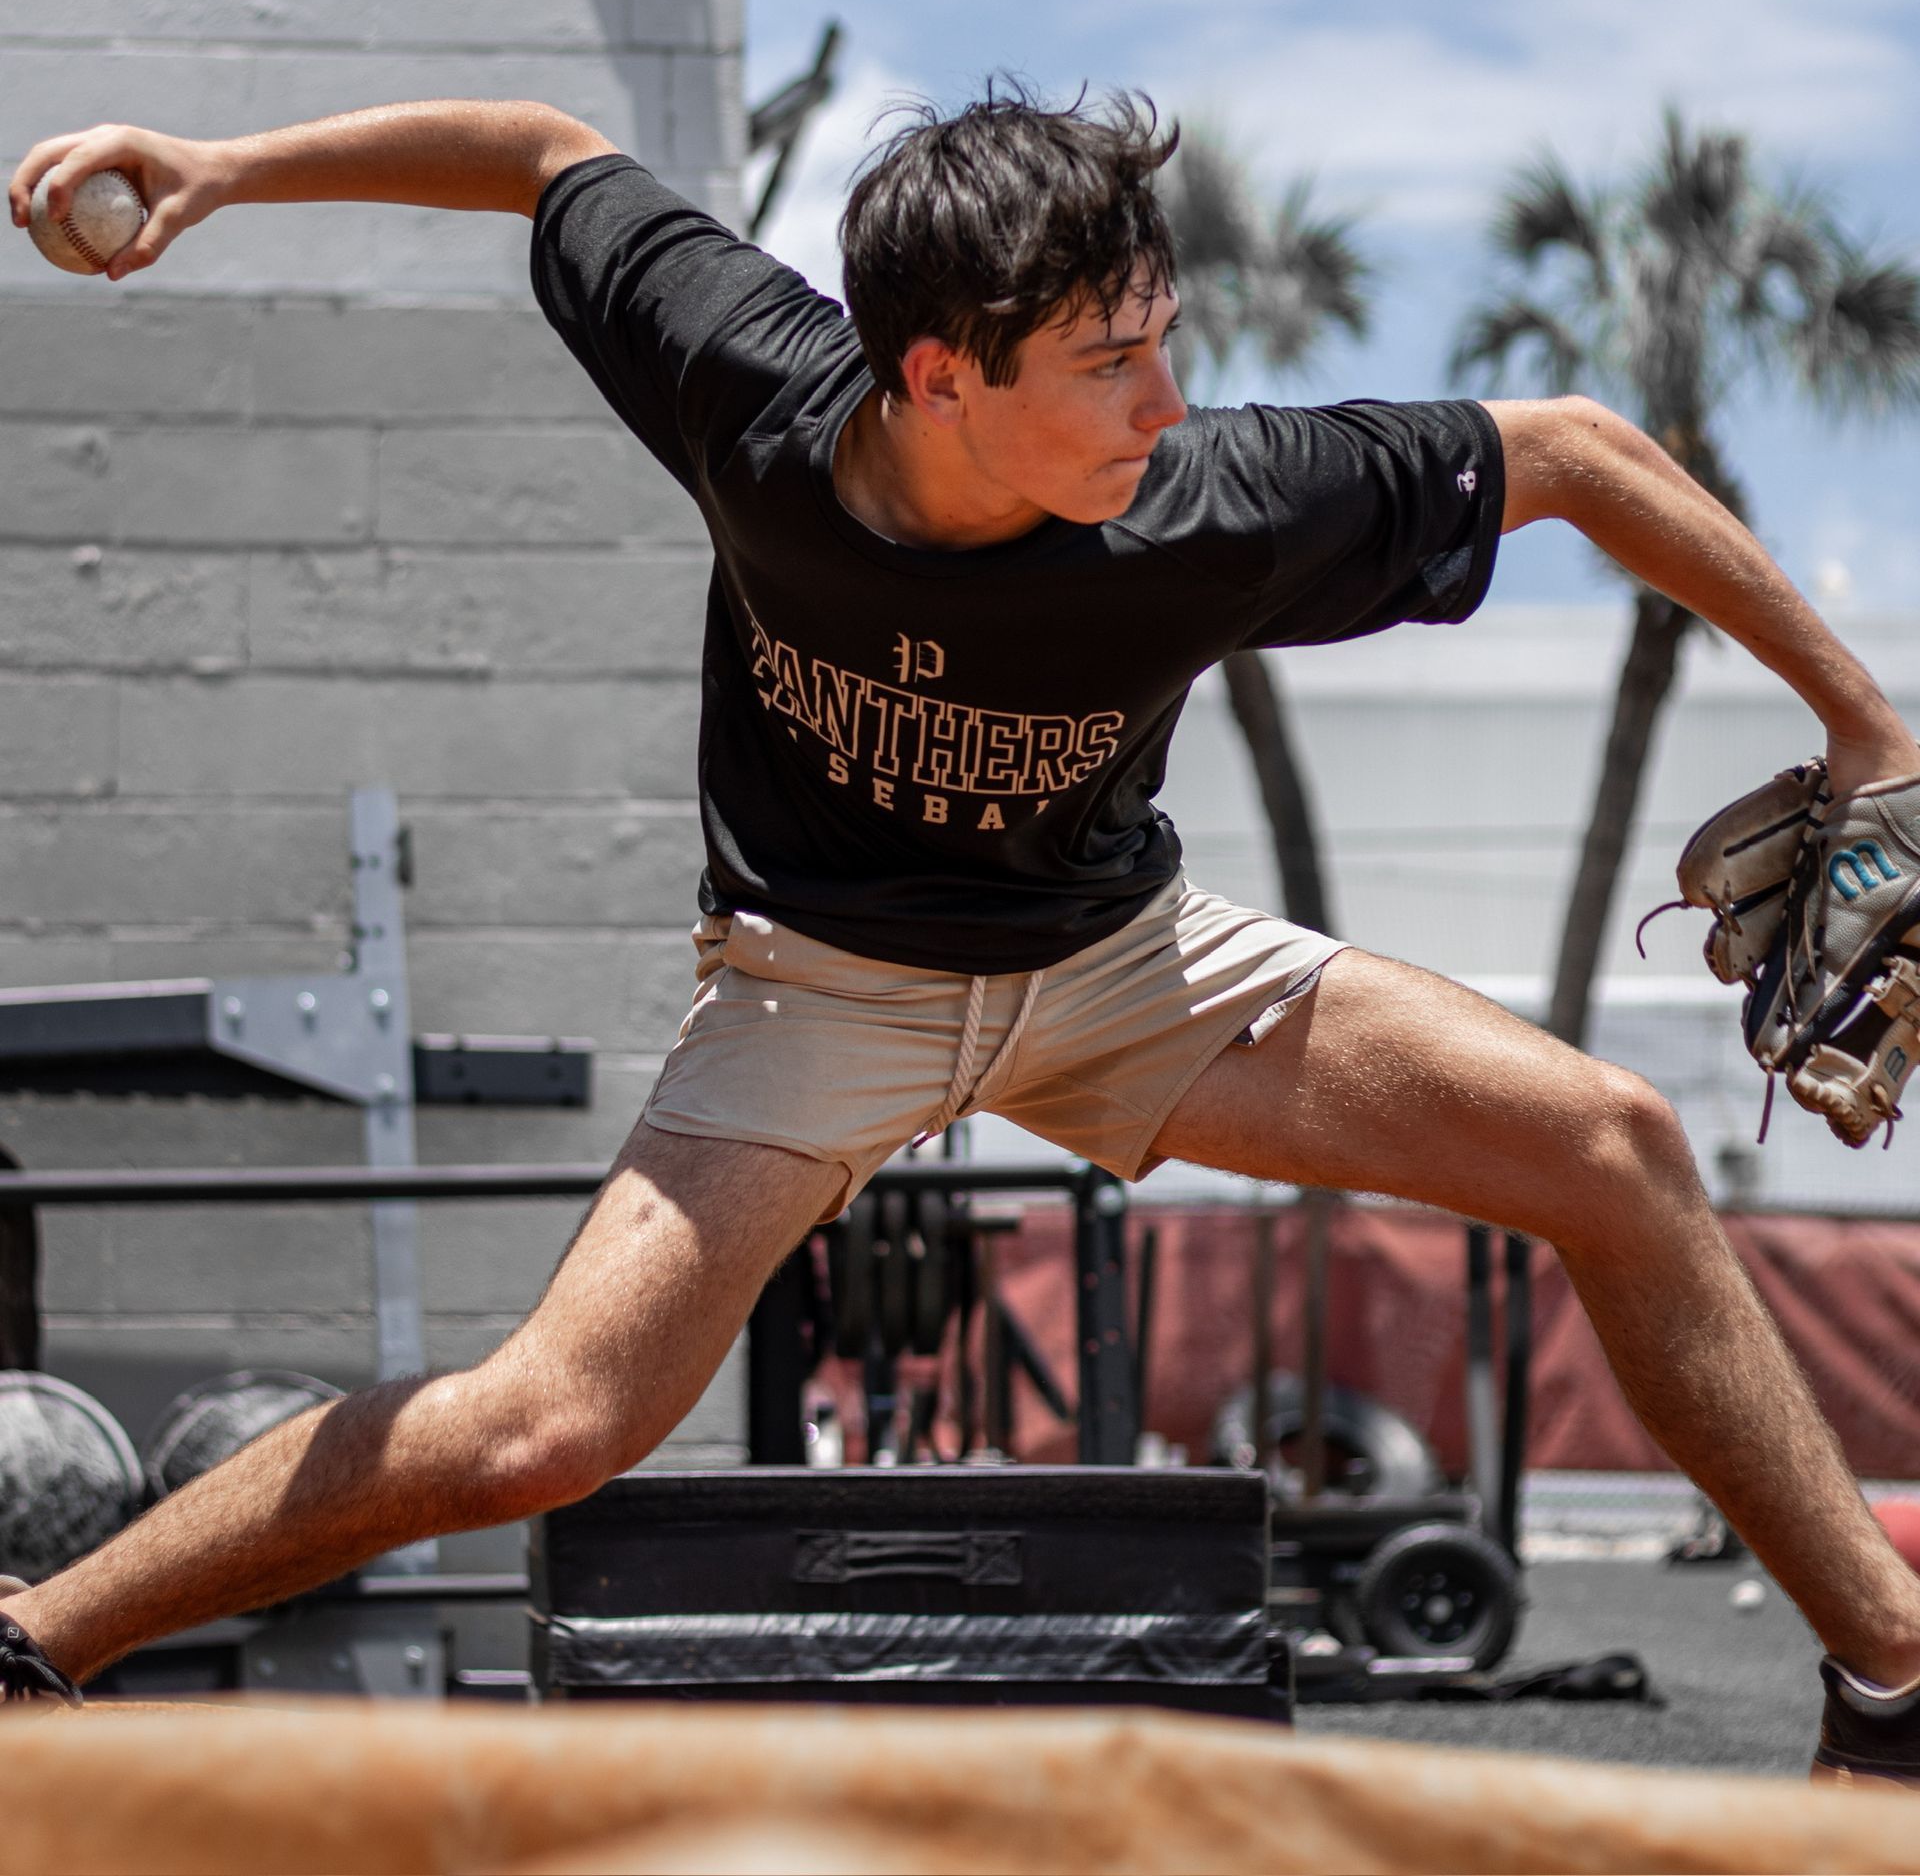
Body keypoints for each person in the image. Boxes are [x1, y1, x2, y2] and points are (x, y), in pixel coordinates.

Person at [4, 89, 1918, 1785]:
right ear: (935, 374)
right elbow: (540, 157)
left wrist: (1874, 730)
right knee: (542, 1427)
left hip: (1126, 970)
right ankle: (36, 1639)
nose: (1165, 402)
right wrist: (226, 167)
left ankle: (1897, 1678)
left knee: (1616, 1146)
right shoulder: (741, 377)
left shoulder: (1217, 503)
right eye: (1107, 363)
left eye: (1167, 340)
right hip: (815, 987)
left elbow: (1577, 449)